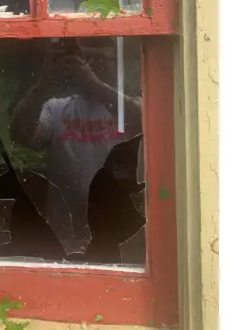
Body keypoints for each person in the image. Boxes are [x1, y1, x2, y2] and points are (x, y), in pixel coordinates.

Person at [8, 38, 143, 255]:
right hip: (66, 233)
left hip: (119, 232)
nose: (88, 66)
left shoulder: (127, 104)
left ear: (113, 62)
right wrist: (45, 83)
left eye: (98, 58)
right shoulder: (57, 108)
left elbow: (146, 123)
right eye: (84, 59)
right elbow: (19, 134)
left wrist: (95, 86)